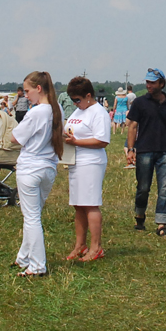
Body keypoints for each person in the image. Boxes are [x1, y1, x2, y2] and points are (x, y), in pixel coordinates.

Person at [10, 71, 64, 276]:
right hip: (48, 168)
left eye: (27, 91)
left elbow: (16, 138)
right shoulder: (57, 109)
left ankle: (37, 265)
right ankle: (24, 257)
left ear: (38, 89)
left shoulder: (36, 112)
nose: (26, 95)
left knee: (31, 218)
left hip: (30, 168)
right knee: (34, 215)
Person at [126, 68, 166, 237]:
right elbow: (132, 126)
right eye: (147, 82)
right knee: (143, 188)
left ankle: (161, 223)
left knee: (164, 188)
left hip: (165, 151)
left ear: (161, 84)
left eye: (152, 82)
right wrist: (131, 149)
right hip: (145, 150)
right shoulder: (140, 103)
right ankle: (140, 215)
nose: (149, 85)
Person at [64, 76, 111, 262]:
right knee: (78, 204)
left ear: (89, 96)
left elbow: (102, 140)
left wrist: (76, 142)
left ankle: (96, 247)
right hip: (76, 161)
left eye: (78, 100)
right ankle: (80, 245)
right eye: (73, 100)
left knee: (90, 204)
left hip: (91, 162)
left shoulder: (98, 113)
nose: (75, 104)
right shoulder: (78, 111)